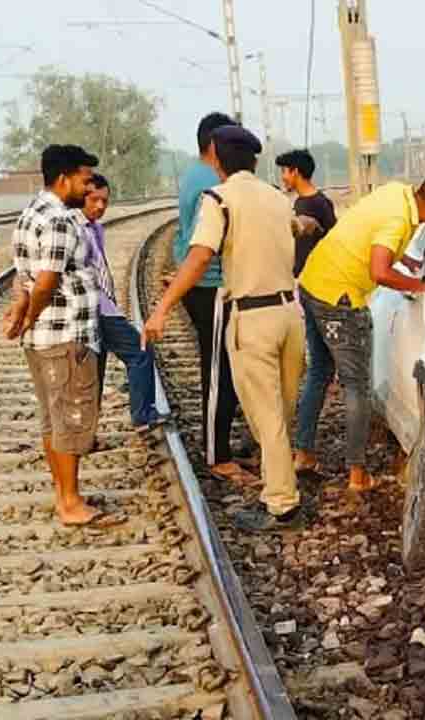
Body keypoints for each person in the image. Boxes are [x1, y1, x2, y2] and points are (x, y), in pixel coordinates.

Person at [143, 126, 309, 531]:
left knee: (265, 416)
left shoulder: (219, 200)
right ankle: (280, 485)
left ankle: (281, 505)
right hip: (290, 314)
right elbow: (296, 229)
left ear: (214, 156)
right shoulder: (276, 197)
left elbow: (199, 258)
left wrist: (162, 308)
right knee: (281, 413)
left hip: (252, 319)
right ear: (254, 160)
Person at [294, 169, 425, 492]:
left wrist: (409, 264)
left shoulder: (397, 193)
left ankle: (303, 453)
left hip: (314, 281)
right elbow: (379, 270)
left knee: (318, 373)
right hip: (339, 297)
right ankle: (357, 475)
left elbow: (377, 242)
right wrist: (420, 285)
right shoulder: (400, 221)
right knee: (357, 386)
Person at [4, 173, 168, 435]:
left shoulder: (96, 228)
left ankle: (86, 433)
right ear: (81, 197)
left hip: (100, 308)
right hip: (92, 309)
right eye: (94, 199)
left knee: (94, 372)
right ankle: (143, 415)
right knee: (140, 351)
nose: (100, 206)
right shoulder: (70, 225)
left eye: (105, 201)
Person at [5, 144, 115, 528]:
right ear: (64, 177)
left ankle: (63, 493)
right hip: (64, 333)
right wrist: (29, 316)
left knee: (54, 418)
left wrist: (25, 315)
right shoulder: (60, 220)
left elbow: (24, 275)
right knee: (70, 416)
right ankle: (70, 503)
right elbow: (47, 280)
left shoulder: (29, 213)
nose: (88, 189)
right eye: (85, 180)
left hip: (44, 338)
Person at [175, 112, 252, 482]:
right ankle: (217, 454)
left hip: (207, 284)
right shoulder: (210, 181)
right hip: (211, 285)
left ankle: (221, 445)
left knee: (222, 366)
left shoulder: (196, 174)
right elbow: (201, 242)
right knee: (219, 370)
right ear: (214, 146)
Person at [275, 149, 337, 277]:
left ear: (295, 172)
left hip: (315, 277)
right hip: (305, 276)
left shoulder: (318, 203)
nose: (282, 178)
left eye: (284, 172)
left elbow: (332, 241)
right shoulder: (302, 202)